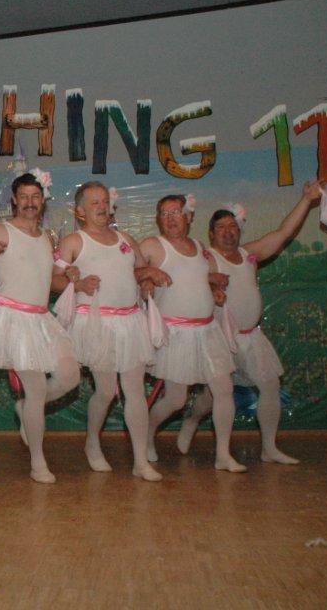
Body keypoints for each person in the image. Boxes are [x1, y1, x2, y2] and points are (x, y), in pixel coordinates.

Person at [177, 182, 322, 464]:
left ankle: (269, 448)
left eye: (232, 226)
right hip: (219, 337)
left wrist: (306, 200)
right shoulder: (206, 259)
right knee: (213, 396)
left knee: (270, 385)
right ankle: (192, 422)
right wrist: (212, 286)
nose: (227, 231)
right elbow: (192, 280)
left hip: (251, 336)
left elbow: (282, 233)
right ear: (211, 233)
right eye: (221, 227)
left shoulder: (248, 255)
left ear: (239, 230)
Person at [0, 171, 79, 483]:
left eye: (35, 196)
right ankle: (38, 461)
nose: (29, 202)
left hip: (42, 318)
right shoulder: (1, 231)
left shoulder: (47, 237)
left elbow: (47, 280)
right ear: (14, 199)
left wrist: (69, 278)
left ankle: (25, 408)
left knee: (70, 376)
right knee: (36, 389)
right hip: (14, 319)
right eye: (23, 196)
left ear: (43, 200)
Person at [56, 181, 167, 481]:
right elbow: (53, 279)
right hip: (97, 324)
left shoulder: (126, 239)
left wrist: (147, 281)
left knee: (135, 391)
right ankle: (92, 442)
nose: (102, 207)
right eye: (94, 202)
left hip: (130, 323)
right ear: (80, 211)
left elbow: (140, 272)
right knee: (105, 391)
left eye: (105, 201)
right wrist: (77, 284)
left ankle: (140, 461)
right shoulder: (73, 241)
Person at [142, 194, 245, 472]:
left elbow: (197, 279)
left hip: (207, 330)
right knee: (175, 400)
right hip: (176, 333)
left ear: (188, 217)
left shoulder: (200, 247)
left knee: (224, 389)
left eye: (176, 212)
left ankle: (223, 454)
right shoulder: (152, 245)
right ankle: (147, 433)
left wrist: (214, 288)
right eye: (164, 213)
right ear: (158, 219)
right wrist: (147, 275)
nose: (170, 218)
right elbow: (132, 271)